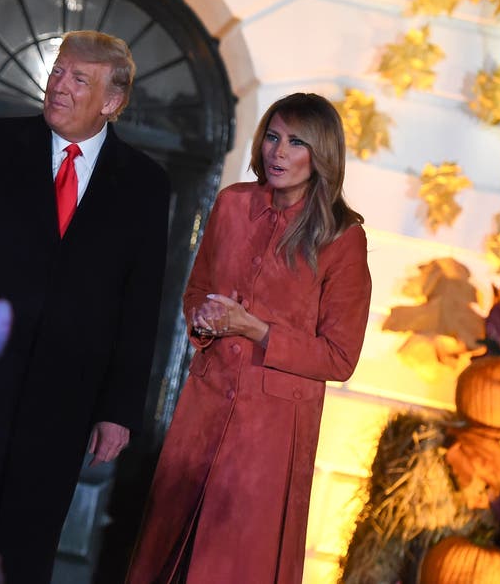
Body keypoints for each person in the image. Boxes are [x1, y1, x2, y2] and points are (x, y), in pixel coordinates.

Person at [0, 30, 170, 582]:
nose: (59, 87)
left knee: (22, 553)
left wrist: (119, 409)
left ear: (112, 101)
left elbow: (140, 303)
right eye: (58, 72)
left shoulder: (146, 186)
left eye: (79, 79)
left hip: (63, 400)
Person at [126, 93, 373, 583]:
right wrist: (203, 320)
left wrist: (254, 329)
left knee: (232, 564)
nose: (278, 153)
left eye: (296, 142)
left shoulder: (343, 237)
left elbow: (340, 357)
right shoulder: (232, 204)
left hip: (271, 436)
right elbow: (197, 289)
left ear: (320, 156)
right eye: (274, 138)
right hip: (204, 408)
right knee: (165, 552)